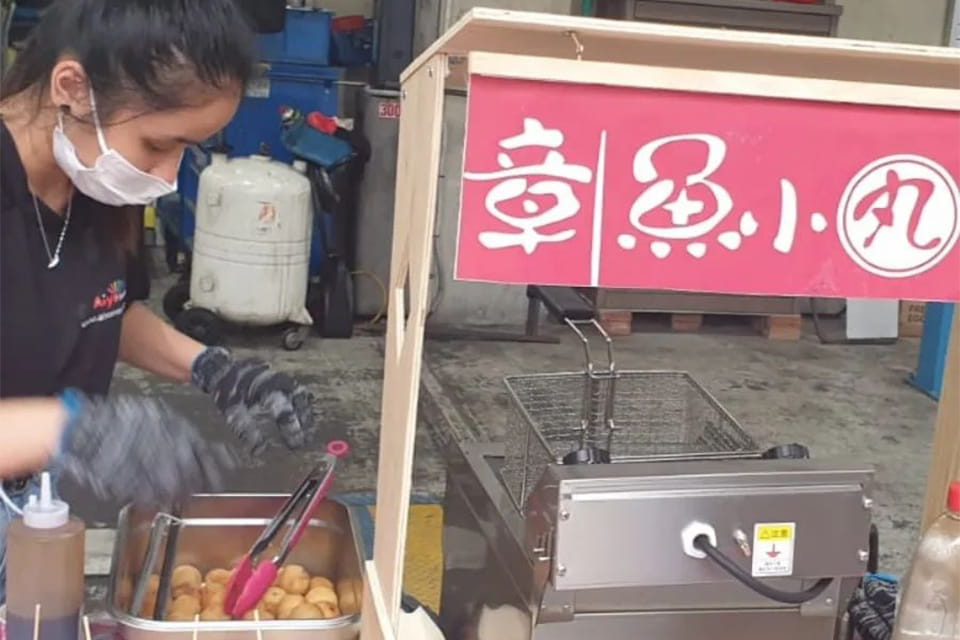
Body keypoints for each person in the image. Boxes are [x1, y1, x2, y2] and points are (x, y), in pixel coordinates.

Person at [0, 0, 317, 601]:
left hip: (38, 509)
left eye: (186, 152)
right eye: (156, 144)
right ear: (73, 87)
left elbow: (101, 308)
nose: (167, 177)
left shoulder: (90, 184)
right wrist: (72, 430)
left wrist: (214, 370)